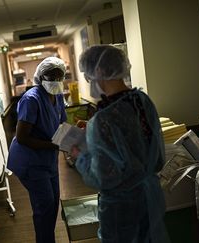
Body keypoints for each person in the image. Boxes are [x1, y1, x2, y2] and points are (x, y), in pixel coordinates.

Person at [70, 45, 169, 243]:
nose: (90, 81)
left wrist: (80, 157)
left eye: (89, 77)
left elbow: (104, 177)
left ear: (98, 71)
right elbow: (152, 153)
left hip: (121, 208)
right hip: (151, 198)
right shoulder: (143, 101)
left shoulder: (103, 119)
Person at [7, 57, 67, 243]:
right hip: (30, 161)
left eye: (59, 76)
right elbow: (23, 137)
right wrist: (54, 145)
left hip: (48, 159)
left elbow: (62, 123)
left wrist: (73, 134)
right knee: (44, 206)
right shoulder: (31, 99)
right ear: (41, 77)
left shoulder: (57, 95)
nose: (55, 80)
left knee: (53, 203)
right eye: (51, 76)